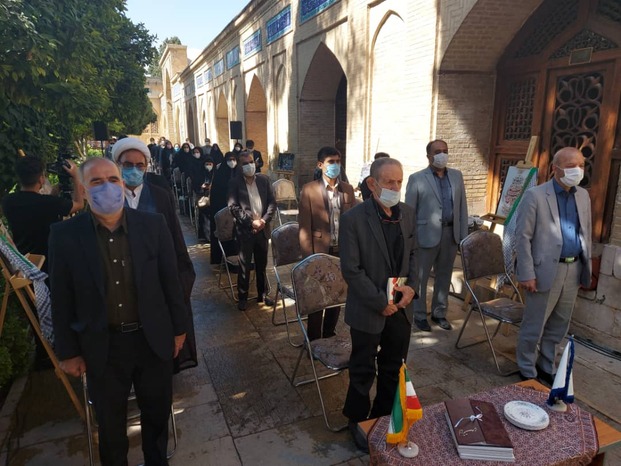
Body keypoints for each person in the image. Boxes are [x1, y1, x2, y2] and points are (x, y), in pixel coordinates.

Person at [49, 157, 187, 465]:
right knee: (110, 428)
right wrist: (68, 352)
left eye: (112, 179)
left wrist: (179, 330)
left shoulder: (153, 225)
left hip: (152, 341)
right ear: (83, 190)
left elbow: (171, 281)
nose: (107, 187)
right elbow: (61, 297)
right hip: (103, 347)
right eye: (96, 182)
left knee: (156, 415)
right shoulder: (65, 235)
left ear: (122, 184)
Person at [340, 157, 417, 452]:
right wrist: (378, 302)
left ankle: (382, 415)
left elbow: (415, 255)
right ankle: (358, 420)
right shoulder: (353, 219)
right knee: (362, 368)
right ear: (372, 184)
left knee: (393, 366)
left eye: (399, 182)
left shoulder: (407, 213)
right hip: (368, 308)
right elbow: (351, 270)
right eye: (389, 182)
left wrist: (412, 288)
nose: (395, 187)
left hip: (401, 306)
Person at [111, 137, 198, 372]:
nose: (134, 170)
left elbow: (174, 237)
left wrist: (182, 278)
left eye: (139, 165)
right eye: (127, 165)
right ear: (118, 165)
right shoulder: (110, 198)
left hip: (157, 280)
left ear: (146, 166)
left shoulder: (159, 195)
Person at [515, 147, 592, 384]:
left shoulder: (583, 195)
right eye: (570, 166)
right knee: (535, 324)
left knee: (560, 324)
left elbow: (586, 232)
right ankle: (526, 369)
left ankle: (546, 365)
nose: (577, 170)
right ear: (554, 169)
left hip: (573, 268)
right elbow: (522, 237)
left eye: (581, 165)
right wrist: (526, 273)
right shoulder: (536, 196)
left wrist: (586, 267)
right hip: (544, 271)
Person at [404, 139, 468, 332]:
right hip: (425, 236)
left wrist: (463, 236)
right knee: (420, 278)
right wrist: (410, 240)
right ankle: (419, 315)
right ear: (429, 156)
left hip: (450, 234)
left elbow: (462, 207)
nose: (442, 154)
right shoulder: (417, 178)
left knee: (444, 276)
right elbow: (409, 211)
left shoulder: (456, 176)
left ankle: (439, 312)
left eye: (445, 150)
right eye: (438, 151)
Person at [299, 146, 355, 340]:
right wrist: (309, 259)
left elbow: (353, 223)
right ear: (320, 165)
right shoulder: (309, 189)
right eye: (331, 162)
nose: (335, 165)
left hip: (342, 252)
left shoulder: (347, 189)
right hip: (319, 252)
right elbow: (304, 227)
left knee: (336, 293)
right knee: (317, 296)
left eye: (338, 161)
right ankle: (314, 339)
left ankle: (329, 333)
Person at [2, 155, 84, 266]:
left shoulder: (8, 202)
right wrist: (76, 177)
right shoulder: (50, 203)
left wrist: (53, 193)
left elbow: (34, 207)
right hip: (51, 261)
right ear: (41, 178)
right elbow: (79, 204)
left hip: (26, 262)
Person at [227, 151, 277, 311]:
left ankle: (262, 294)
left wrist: (263, 221)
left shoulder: (264, 180)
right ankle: (243, 297)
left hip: (262, 229)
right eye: (245, 163)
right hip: (245, 231)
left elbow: (272, 202)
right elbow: (233, 207)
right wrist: (251, 223)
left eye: (251, 162)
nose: (250, 165)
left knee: (262, 265)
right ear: (240, 166)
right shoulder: (234, 183)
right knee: (244, 266)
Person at [209, 151, 239, 264]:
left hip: (238, 210)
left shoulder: (239, 173)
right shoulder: (219, 175)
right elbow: (216, 194)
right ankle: (221, 258)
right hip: (222, 209)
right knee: (225, 232)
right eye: (229, 160)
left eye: (234, 159)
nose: (232, 162)